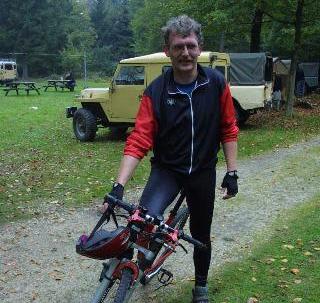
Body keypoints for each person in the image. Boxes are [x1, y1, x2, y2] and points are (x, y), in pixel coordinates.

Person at [103, 15, 239, 303]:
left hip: (202, 172)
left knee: (201, 234)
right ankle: (134, 266)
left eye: (190, 46)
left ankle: (200, 286)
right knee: (142, 222)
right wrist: (119, 185)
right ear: (167, 50)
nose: (185, 53)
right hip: (167, 171)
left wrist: (232, 172)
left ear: (199, 47)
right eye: (178, 47)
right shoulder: (156, 91)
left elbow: (228, 128)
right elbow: (139, 138)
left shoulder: (216, 84)